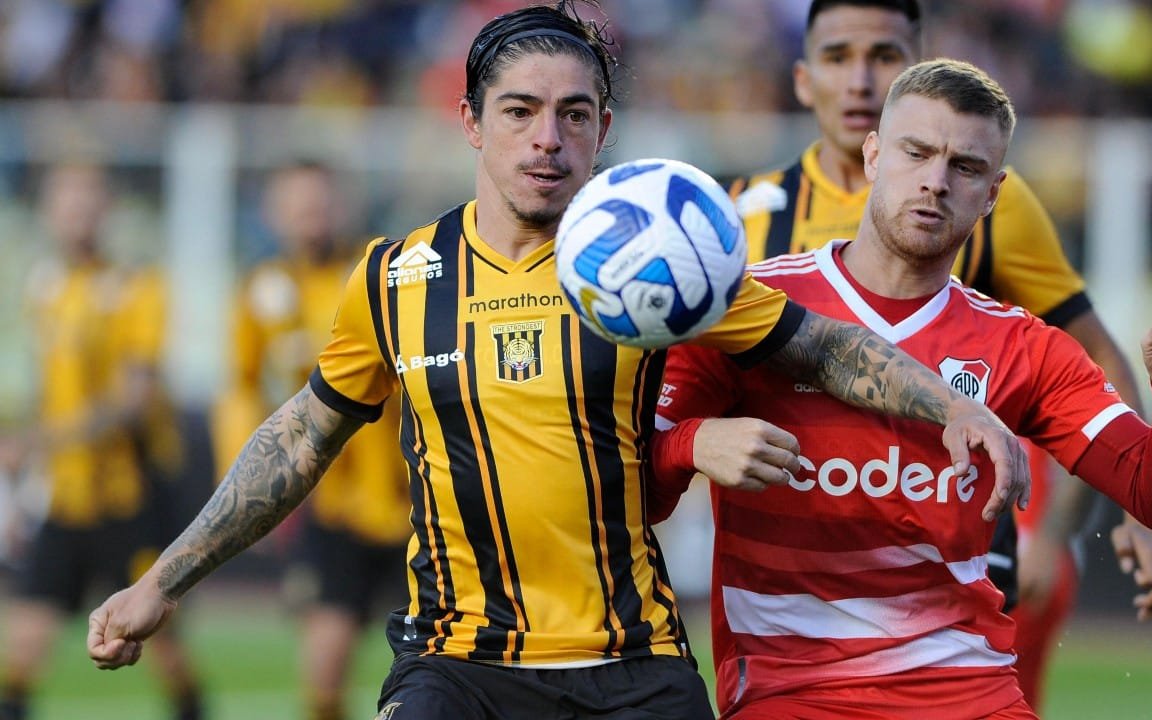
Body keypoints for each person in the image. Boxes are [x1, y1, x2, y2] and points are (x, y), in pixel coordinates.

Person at [85, 4, 1032, 719]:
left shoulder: (668, 265)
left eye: (574, 114)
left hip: (635, 663)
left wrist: (949, 405)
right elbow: (300, 438)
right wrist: (158, 584)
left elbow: (824, 348)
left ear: (604, 128)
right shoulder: (395, 278)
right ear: (470, 121)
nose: (548, 138)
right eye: (521, 111)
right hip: (457, 665)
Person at [647, 58, 1152, 719]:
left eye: (965, 167)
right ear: (873, 157)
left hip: (968, 692)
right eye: (916, 152)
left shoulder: (1023, 347)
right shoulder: (754, 307)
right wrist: (694, 443)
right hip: (791, 692)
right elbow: (637, 489)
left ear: (993, 194)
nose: (934, 182)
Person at [0, 163, 205, 720]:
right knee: (21, 651)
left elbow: (135, 399)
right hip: (66, 499)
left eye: (88, 201)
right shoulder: (45, 289)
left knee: (165, 649)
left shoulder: (137, 287)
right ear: (48, 212)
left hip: (129, 498)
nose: (77, 214)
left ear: (107, 210)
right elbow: (40, 390)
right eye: (67, 201)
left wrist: (48, 438)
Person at [212, 160, 408, 720]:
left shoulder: (381, 272)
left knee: (447, 668)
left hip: (414, 499)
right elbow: (241, 391)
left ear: (341, 205)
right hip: (327, 505)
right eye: (297, 206)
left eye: (319, 203)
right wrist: (246, 488)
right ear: (274, 214)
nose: (310, 217)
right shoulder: (259, 292)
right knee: (324, 667)